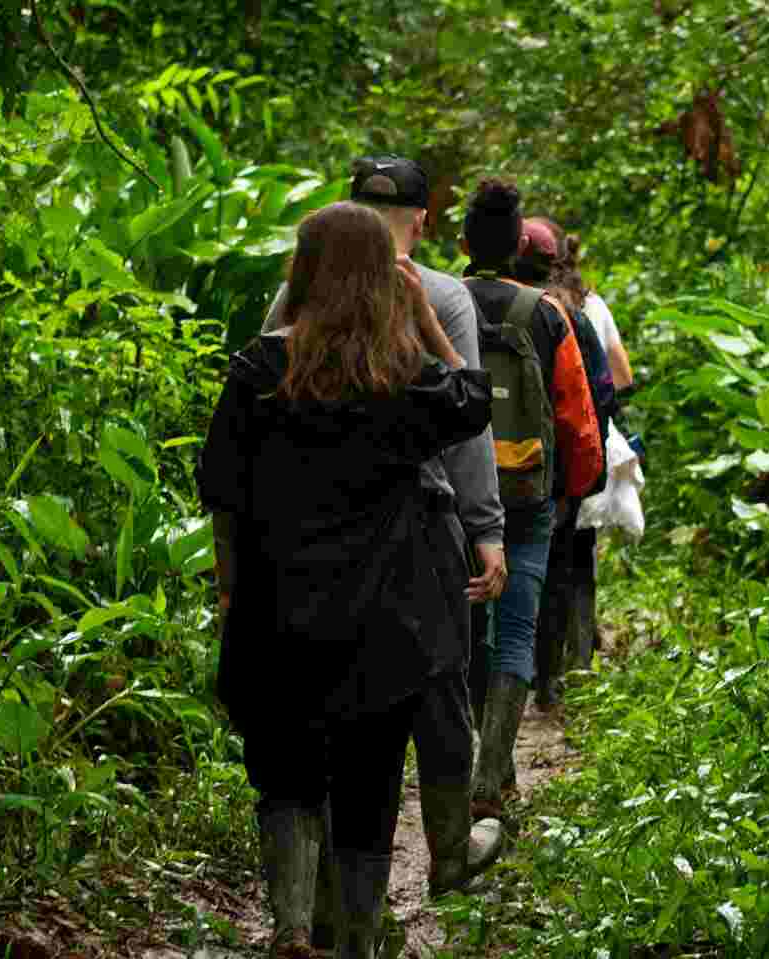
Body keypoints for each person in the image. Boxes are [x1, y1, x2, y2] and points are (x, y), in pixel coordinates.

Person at [198, 201, 493, 959]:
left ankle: (294, 928)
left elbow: (222, 496)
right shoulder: (399, 377)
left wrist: (232, 594)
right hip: (381, 625)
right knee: (367, 785)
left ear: (303, 270)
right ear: (380, 283)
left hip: (277, 610)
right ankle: (358, 940)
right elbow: (472, 400)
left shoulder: (258, 370)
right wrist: (427, 317)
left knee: (287, 777)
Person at [263, 156, 507, 915]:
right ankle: (446, 852)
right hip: (415, 543)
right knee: (434, 694)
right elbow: (469, 417)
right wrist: (487, 528)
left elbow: (257, 388)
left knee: (319, 728)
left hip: (302, 545)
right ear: (423, 220)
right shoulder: (438, 294)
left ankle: (318, 907)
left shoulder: (296, 296)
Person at [461, 181, 603, 819]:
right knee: (517, 627)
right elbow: (578, 417)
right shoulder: (547, 314)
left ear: (462, 242)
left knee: (468, 635)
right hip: (526, 495)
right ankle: (492, 777)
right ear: (519, 243)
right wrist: (573, 490)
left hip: (455, 500)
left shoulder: (437, 302)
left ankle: (479, 766)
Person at [520, 218, 619, 706]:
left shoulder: (464, 302)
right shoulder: (566, 314)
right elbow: (594, 400)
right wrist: (584, 478)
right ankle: (547, 678)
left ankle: (488, 688)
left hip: (478, 472)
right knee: (556, 572)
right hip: (550, 475)